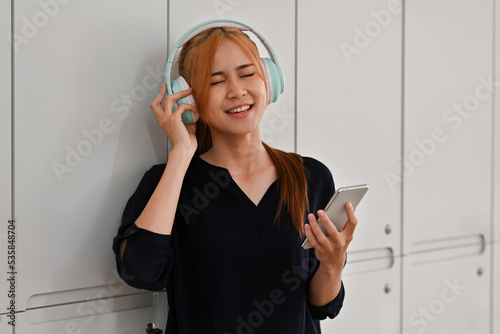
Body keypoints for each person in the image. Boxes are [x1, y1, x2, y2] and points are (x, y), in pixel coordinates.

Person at [112, 23, 358, 334]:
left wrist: (333, 263)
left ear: (269, 81)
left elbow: (321, 306)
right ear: (190, 99)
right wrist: (182, 153)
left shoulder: (311, 177)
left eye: (247, 74)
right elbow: (141, 273)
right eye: (216, 81)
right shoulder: (169, 182)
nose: (237, 91)